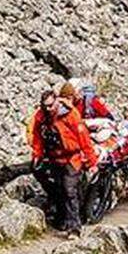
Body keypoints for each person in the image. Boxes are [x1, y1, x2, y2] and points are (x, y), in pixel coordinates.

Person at [29, 89, 99, 237]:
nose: (49, 109)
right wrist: (37, 154)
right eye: (46, 106)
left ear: (57, 101)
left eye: (51, 105)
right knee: (58, 188)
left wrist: (92, 162)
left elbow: (83, 138)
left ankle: (74, 227)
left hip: (71, 158)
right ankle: (63, 218)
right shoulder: (41, 117)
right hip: (54, 158)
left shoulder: (70, 114)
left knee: (69, 190)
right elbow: (36, 137)